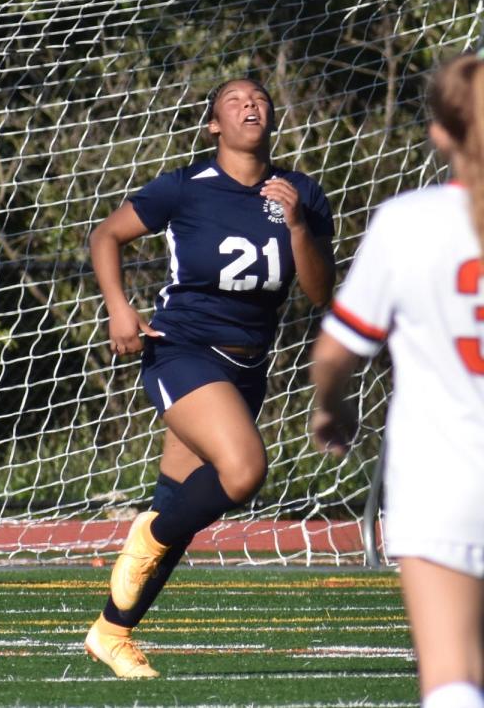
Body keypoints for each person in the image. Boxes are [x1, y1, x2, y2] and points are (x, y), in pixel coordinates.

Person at [85, 79, 335, 678]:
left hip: (250, 364)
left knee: (178, 507)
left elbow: (321, 293)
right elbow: (106, 236)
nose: (251, 105)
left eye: (260, 99)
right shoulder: (184, 187)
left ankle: (111, 632)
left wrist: (298, 225)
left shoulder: (301, 192)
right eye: (234, 101)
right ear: (213, 125)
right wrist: (120, 309)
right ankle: (147, 539)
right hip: (184, 351)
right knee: (244, 470)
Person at [312, 53, 484, 708]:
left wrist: (333, 409)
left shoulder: (408, 222)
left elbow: (334, 353)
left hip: (442, 481)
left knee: (453, 678)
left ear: (439, 132)